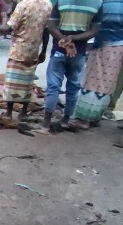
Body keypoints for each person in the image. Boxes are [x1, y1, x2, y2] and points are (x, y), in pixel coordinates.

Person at [42, 0, 103, 130]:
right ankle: (65, 119)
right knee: (73, 87)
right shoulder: (97, 3)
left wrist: (65, 41)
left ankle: (46, 122)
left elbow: (51, 26)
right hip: (78, 52)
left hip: (58, 50)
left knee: (53, 86)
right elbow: (94, 30)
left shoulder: (61, 1)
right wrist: (73, 39)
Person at [0, 0, 52, 121]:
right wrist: (43, 50)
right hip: (33, 51)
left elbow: (8, 28)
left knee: (12, 82)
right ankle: (24, 112)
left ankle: (9, 112)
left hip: (18, 50)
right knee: (27, 83)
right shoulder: (47, 5)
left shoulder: (23, 5)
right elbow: (46, 31)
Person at [72, 0, 123, 129]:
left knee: (93, 82)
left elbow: (92, 25)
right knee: (108, 83)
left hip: (103, 46)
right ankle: (96, 117)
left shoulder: (104, 4)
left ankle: (84, 120)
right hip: (118, 48)